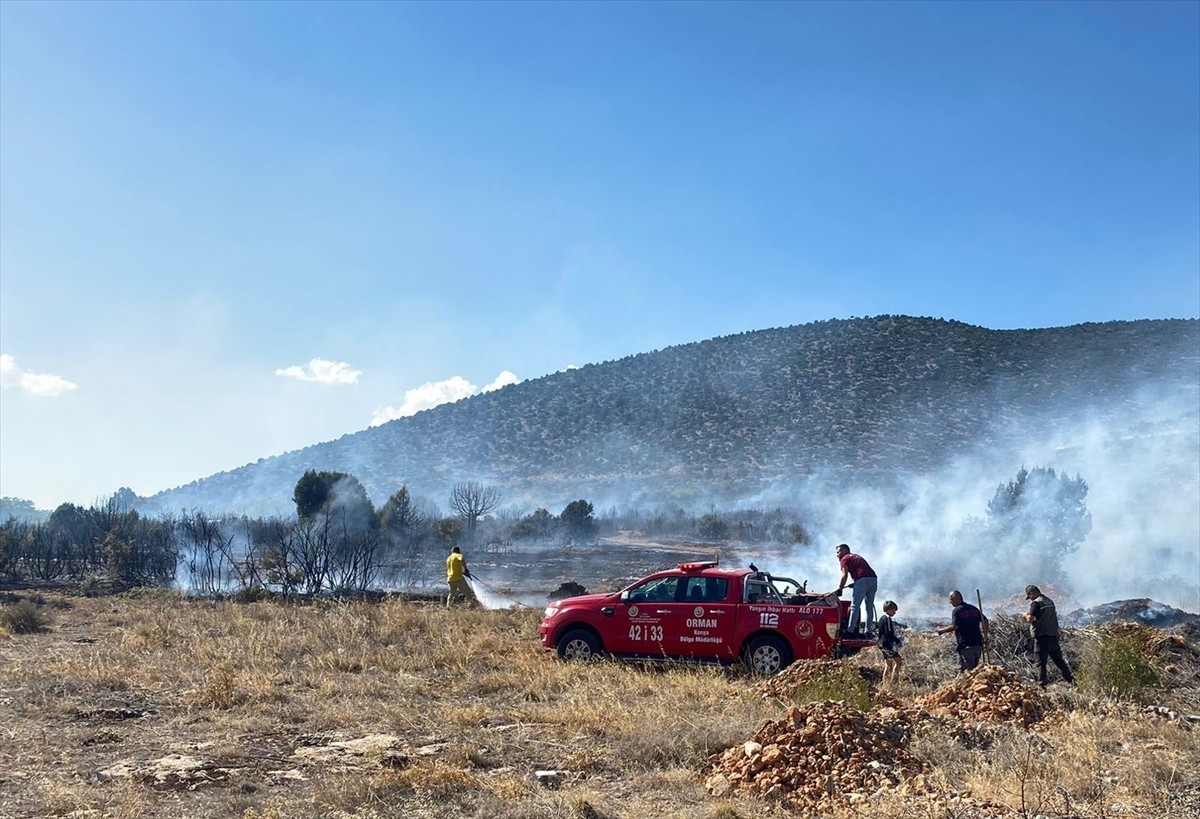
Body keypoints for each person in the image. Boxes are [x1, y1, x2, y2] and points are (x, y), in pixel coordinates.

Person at [1024, 584, 1075, 686]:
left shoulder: (1036, 603)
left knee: (1040, 663)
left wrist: (1025, 615)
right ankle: (1071, 681)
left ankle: (1042, 686)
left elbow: (1030, 619)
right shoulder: (1049, 601)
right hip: (1052, 636)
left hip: (1041, 637)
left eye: (1029, 596)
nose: (1030, 599)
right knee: (1059, 661)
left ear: (1032, 593)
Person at [936, 589, 989, 672]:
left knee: (965, 673)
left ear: (956, 598)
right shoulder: (973, 608)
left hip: (965, 647)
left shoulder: (957, 610)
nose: (950, 602)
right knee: (974, 671)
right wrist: (985, 637)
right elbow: (985, 621)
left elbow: (954, 626)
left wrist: (941, 631)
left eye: (951, 599)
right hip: (978, 645)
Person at [835, 543, 878, 635]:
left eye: (838, 552)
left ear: (844, 551)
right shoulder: (855, 556)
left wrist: (840, 589)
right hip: (873, 580)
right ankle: (868, 632)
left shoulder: (844, 559)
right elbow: (863, 571)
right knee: (869, 607)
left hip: (862, 581)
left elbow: (844, 575)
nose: (837, 554)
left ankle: (850, 631)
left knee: (855, 606)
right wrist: (856, 583)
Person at [877, 600, 904, 688]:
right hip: (887, 645)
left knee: (888, 664)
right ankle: (893, 682)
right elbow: (889, 633)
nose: (894, 612)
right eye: (893, 610)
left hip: (882, 644)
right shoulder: (887, 619)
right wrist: (898, 641)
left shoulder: (881, 618)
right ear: (888, 609)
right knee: (898, 661)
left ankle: (886, 685)